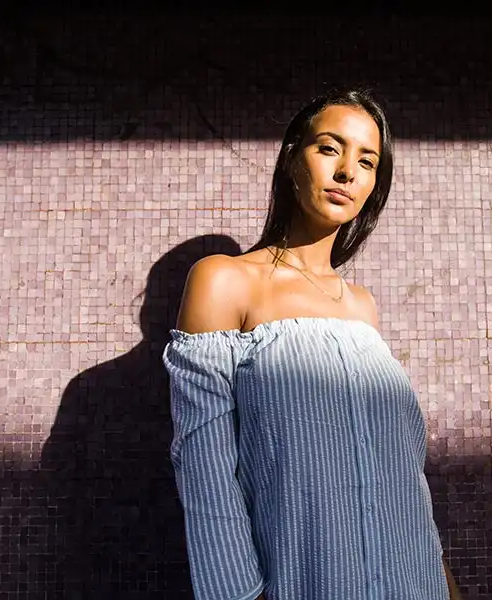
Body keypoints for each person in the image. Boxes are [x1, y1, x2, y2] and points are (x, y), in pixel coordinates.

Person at [163, 87, 461, 599]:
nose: (348, 171)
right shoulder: (224, 282)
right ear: (291, 158)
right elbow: (204, 467)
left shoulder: (363, 307)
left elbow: (406, 482)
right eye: (329, 148)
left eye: (367, 162)